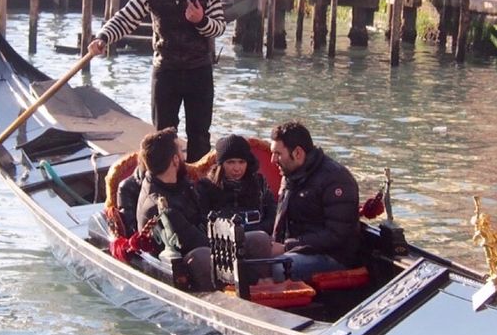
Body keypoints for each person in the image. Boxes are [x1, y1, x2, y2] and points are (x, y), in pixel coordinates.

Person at [89, 0, 226, 162]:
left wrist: (201, 21)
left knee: (199, 137)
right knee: (163, 136)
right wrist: (103, 37)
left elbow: (219, 26)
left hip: (198, 71)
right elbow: (126, 18)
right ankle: (164, 185)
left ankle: (199, 187)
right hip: (166, 71)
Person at [136, 128, 272, 291]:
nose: (183, 157)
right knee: (204, 256)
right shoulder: (161, 205)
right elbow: (195, 241)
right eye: (181, 151)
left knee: (259, 239)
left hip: (204, 243)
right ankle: (226, 296)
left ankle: (260, 289)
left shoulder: (176, 183)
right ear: (174, 160)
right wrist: (235, 240)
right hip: (186, 260)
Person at [268, 121, 360, 281]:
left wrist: (285, 247)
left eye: (278, 154)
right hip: (296, 249)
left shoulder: (336, 179)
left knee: (276, 269)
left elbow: (336, 235)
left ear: (297, 153)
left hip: (332, 257)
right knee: (250, 251)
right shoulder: (290, 175)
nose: (272, 160)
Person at [196, 134, 276, 234]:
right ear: (221, 164)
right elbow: (201, 219)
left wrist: (257, 230)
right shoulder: (206, 187)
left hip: (259, 236)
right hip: (221, 241)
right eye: (231, 162)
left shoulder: (259, 183)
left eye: (241, 162)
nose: (237, 168)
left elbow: (273, 215)